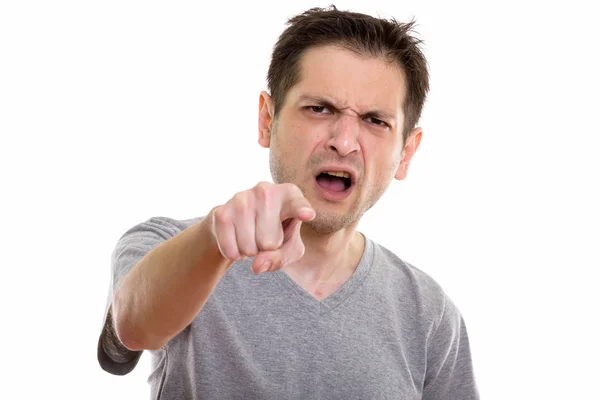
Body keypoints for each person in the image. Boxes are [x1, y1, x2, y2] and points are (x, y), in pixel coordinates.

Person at [97, 6, 480, 399]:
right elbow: (129, 331)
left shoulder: (429, 314)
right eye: (319, 108)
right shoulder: (170, 242)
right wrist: (213, 241)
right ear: (267, 120)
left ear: (407, 153)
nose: (344, 141)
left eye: (375, 121)